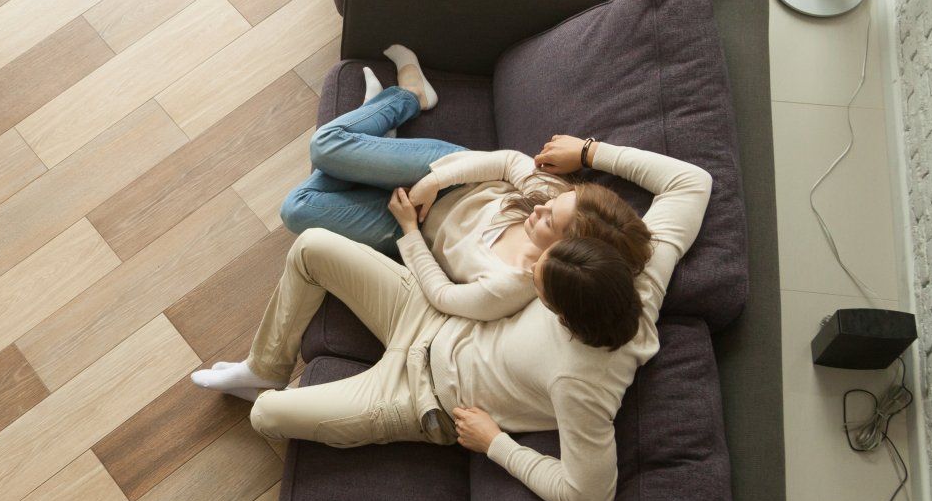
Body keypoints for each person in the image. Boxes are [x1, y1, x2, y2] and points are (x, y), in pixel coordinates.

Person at [195, 124, 712, 501]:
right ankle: (265, 364)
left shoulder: (583, 385)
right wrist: (589, 153)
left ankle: (268, 391)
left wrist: (496, 444)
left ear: (563, 316)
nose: (529, 274)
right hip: (428, 315)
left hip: (424, 399)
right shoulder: (644, 270)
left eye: (538, 283)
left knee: (266, 415)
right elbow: (692, 182)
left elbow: (588, 500)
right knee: (309, 247)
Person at [273, 44, 651, 322]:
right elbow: (505, 162)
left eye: (550, 221)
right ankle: (410, 96)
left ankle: (374, 131)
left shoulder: (508, 287)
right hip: (447, 175)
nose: (539, 208)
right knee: (325, 146)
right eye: (552, 204)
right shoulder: (557, 198)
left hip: (412, 229)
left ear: (568, 253)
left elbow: (443, 295)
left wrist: (408, 230)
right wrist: (434, 181)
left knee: (296, 210)